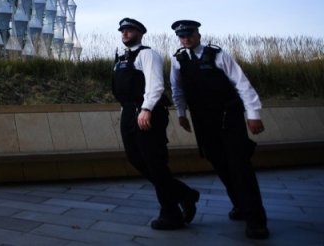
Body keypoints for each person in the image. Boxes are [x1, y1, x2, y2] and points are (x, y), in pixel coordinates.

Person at [169, 20, 269, 240]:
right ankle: (240, 206)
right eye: (182, 36)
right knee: (220, 165)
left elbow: (242, 84)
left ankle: (256, 221)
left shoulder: (217, 54)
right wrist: (181, 114)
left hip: (228, 118)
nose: (185, 39)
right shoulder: (178, 61)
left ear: (198, 35)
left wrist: (253, 114)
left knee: (240, 166)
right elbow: (177, 89)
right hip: (203, 122)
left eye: (189, 35)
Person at [113, 18, 199, 230]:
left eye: (129, 30)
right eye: (122, 30)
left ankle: (170, 214)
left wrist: (146, 109)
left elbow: (156, 86)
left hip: (147, 113)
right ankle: (184, 194)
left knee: (155, 163)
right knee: (136, 159)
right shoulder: (121, 59)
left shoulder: (147, 54)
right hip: (129, 114)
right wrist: (125, 112)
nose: (125, 33)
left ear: (140, 33)